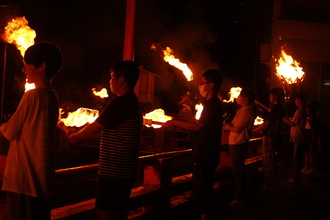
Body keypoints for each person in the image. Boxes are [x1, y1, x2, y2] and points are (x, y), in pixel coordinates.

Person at [60, 60, 143, 220]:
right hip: (124, 170)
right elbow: (105, 130)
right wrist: (78, 133)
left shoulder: (119, 102)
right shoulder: (132, 101)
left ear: (121, 80)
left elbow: (94, 128)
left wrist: (75, 137)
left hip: (114, 171)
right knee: (117, 212)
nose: (110, 81)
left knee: (105, 212)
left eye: (112, 77)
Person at [0, 43, 62, 220]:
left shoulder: (32, 95)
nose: (23, 69)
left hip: (23, 178)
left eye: (27, 64)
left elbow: (9, 131)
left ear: (42, 66)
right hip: (41, 178)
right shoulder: (52, 97)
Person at [164, 69, 223, 220]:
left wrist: (176, 121)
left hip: (205, 153)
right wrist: (181, 126)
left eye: (202, 83)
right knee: (204, 187)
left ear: (210, 85)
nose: (200, 86)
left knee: (202, 189)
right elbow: (203, 125)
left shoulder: (212, 104)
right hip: (208, 151)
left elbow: (200, 126)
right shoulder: (214, 104)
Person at [223, 88, 257, 210]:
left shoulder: (247, 111)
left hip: (238, 143)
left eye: (240, 95)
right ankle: (238, 196)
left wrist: (226, 126)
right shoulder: (243, 110)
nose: (238, 97)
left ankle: (239, 199)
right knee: (237, 171)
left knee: (237, 172)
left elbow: (237, 129)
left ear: (246, 98)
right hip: (236, 143)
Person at [253, 87, 286, 193]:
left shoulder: (276, 107)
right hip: (274, 135)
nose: (270, 96)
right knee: (269, 160)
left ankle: (270, 185)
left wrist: (254, 130)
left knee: (268, 161)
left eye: (271, 94)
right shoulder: (279, 107)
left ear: (275, 96)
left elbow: (267, 123)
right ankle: (268, 184)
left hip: (271, 135)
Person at [283, 92, 308, 184]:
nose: (295, 101)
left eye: (296, 99)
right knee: (296, 157)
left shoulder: (299, 111)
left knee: (296, 158)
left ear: (299, 100)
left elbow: (292, 124)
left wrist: (284, 119)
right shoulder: (303, 111)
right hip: (299, 137)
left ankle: (295, 177)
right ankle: (296, 177)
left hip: (298, 137)